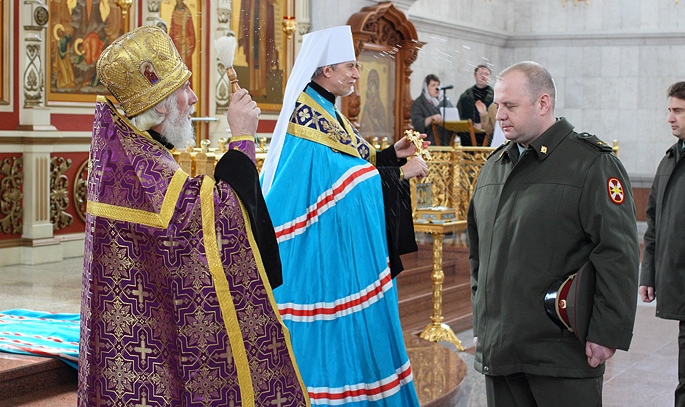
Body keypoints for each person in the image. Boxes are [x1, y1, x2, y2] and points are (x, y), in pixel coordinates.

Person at [80, 26, 309, 406]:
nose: (194, 98)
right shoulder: (140, 165)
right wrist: (242, 137)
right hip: (145, 333)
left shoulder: (128, 152)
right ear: (160, 105)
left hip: (142, 331)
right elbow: (217, 218)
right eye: (184, 89)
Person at [260, 25, 426, 406]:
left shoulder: (324, 108)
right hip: (313, 252)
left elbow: (352, 161)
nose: (356, 74)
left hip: (331, 242)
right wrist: (401, 174)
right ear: (326, 70)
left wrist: (391, 155)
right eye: (350, 66)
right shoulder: (307, 116)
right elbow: (338, 183)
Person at [467, 61, 639, 406]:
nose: (500, 116)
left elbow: (617, 252)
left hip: (561, 353)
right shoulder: (494, 166)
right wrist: (483, 324)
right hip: (501, 352)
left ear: (543, 103)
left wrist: (607, 332)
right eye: (498, 105)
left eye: (510, 105)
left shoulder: (590, 162)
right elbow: (478, 255)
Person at [639, 80, 685, 407]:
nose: (670, 118)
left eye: (678, 110)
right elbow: (654, 224)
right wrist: (649, 274)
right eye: (669, 110)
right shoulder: (671, 159)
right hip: (684, 286)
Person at [236, 0, 278, 96]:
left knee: (262, 49)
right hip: (253, 13)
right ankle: (253, 87)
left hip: (263, 13)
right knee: (252, 48)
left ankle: (262, 86)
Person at [410, 73, 453, 146]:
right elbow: (417, 124)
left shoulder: (446, 102)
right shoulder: (419, 103)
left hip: (447, 143)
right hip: (428, 144)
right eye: (433, 85)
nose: (437, 88)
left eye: (438, 85)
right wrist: (431, 119)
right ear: (426, 87)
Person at [457, 64, 494, 146]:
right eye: (480, 73)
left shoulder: (494, 96)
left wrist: (483, 124)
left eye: (486, 74)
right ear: (475, 76)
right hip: (468, 135)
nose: (483, 76)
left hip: (487, 135)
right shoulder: (466, 96)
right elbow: (459, 115)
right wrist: (472, 125)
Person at [169, 0, 196, 71]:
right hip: (176, 48)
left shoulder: (187, 13)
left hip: (185, 49)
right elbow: (171, 32)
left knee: (185, 71)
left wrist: (185, 40)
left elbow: (192, 35)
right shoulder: (174, 12)